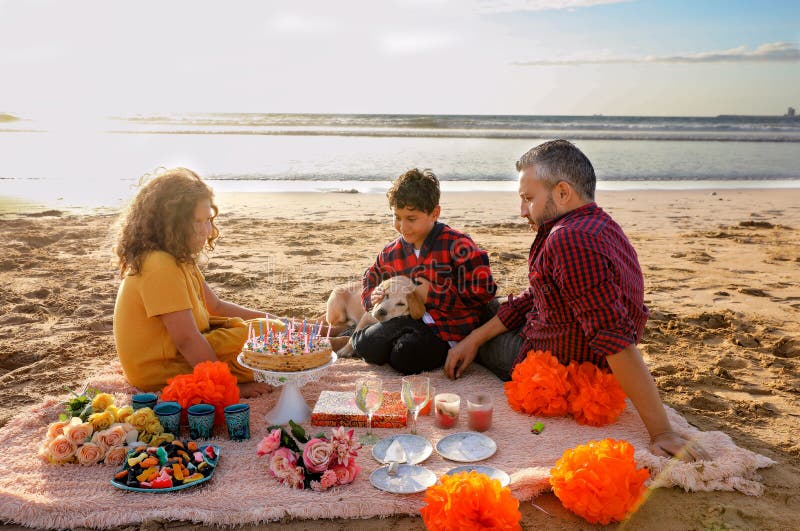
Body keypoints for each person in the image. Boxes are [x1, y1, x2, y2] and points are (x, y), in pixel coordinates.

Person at [445, 140, 708, 461]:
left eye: (529, 199)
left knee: (467, 309)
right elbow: (536, 294)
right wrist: (475, 338)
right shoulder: (598, 222)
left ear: (562, 192)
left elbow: (615, 340)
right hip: (554, 330)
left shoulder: (569, 240)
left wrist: (662, 431)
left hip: (552, 367)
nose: (522, 211)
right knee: (488, 308)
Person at [113, 168, 276, 397]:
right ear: (171, 223)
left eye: (208, 219)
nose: (205, 230)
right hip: (162, 368)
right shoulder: (159, 264)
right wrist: (231, 389)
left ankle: (315, 334)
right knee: (274, 340)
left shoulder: (177, 257)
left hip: (182, 352)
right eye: (195, 221)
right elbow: (187, 340)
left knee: (273, 329)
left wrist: (281, 320)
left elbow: (216, 307)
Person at [350, 168, 497, 374]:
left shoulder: (458, 245)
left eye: (411, 218)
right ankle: (361, 338)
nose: (402, 226)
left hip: (447, 332)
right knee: (368, 345)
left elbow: (484, 291)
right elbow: (371, 276)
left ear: (434, 213)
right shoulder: (392, 252)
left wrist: (433, 294)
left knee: (405, 355)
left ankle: (390, 346)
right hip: (404, 322)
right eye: (397, 217)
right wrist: (371, 296)